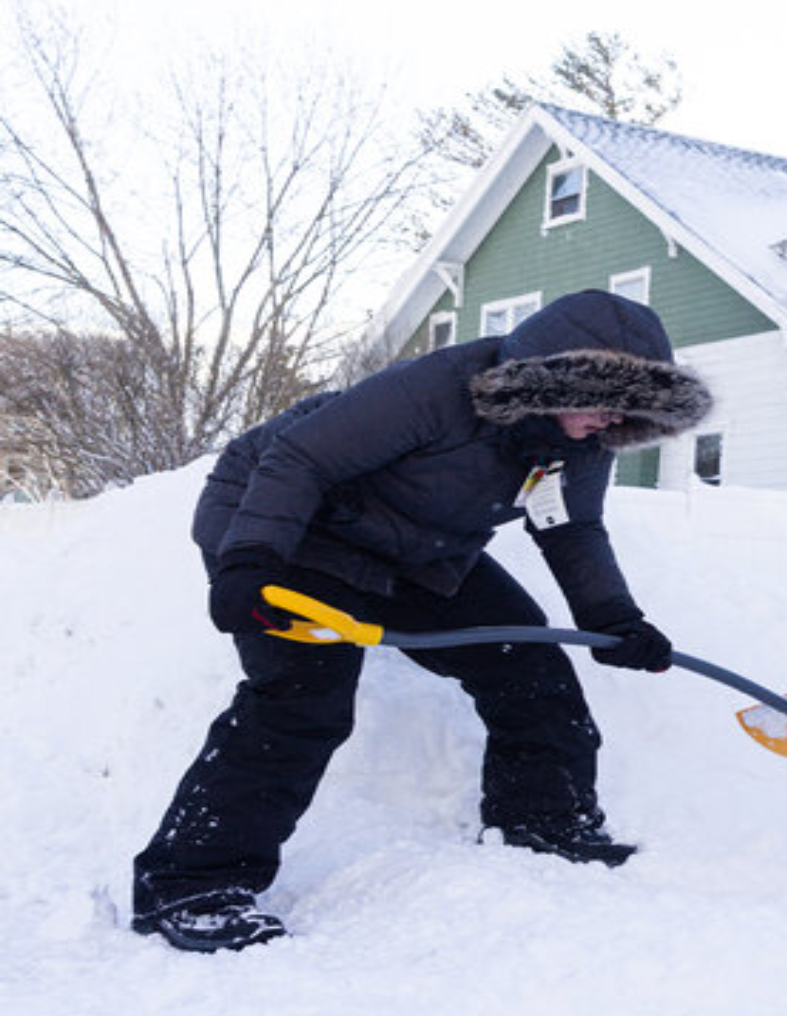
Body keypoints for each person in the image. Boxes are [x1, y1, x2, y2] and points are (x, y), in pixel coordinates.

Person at [131, 289, 714, 953]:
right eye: (604, 399)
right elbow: (299, 459)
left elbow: (572, 527)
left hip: (416, 547)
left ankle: (545, 826)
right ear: (550, 380)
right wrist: (248, 561)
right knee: (302, 698)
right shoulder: (438, 390)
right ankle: (190, 886)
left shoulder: (579, 440)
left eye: (628, 411)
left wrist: (614, 616)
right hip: (292, 528)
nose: (612, 421)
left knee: (527, 665)